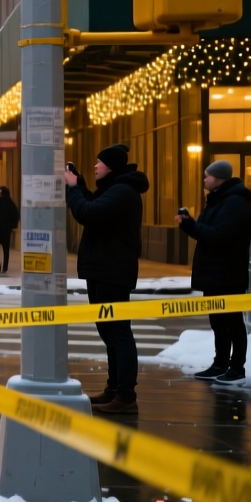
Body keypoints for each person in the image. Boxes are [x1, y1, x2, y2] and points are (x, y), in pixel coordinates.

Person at [65, 143, 150, 415]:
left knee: (118, 332)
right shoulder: (115, 189)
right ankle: (114, 389)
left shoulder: (122, 191)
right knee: (108, 331)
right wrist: (80, 185)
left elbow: (88, 213)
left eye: (99, 162)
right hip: (103, 269)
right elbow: (94, 207)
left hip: (112, 271)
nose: (95, 166)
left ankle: (125, 395)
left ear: (110, 166)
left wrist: (74, 189)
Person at [177, 159, 251, 385]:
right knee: (218, 322)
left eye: (208, 175)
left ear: (219, 177)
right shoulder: (217, 201)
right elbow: (207, 232)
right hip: (216, 273)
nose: (204, 179)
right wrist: (189, 224)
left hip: (228, 273)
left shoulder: (234, 204)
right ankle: (220, 363)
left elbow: (219, 235)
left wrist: (191, 225)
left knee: (232, 321)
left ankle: (236, 367)